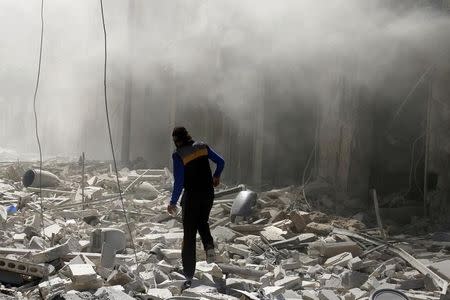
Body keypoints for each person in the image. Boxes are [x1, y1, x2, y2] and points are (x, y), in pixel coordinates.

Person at [167, 126, 225, 289]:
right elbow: (221, 162)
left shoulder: (178, 155)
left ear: (176, 141)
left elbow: (179, 182)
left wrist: (172, 202)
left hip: (192, 197)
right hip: (208, 194)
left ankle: (188, 275)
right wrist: (216, 175)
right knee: (203, 222)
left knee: (189, 236)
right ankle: (209, 247)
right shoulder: (202, 147)